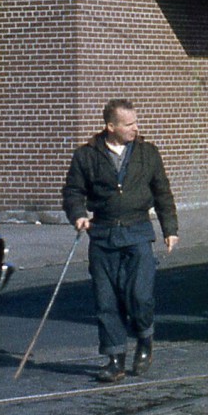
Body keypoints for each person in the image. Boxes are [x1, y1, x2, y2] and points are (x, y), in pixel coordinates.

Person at [62, 99, 179, 382]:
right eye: (129, 124)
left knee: (139, 296)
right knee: (106, 301)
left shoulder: (147, 153)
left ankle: (144, 340)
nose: (136, 129)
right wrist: (78, 215)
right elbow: (73, 192)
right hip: (102, 235)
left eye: (136, 122)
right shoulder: (86, 156)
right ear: (110, 126)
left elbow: (162, 192)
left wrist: (170, 229)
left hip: (138, 232)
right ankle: (115, 359)